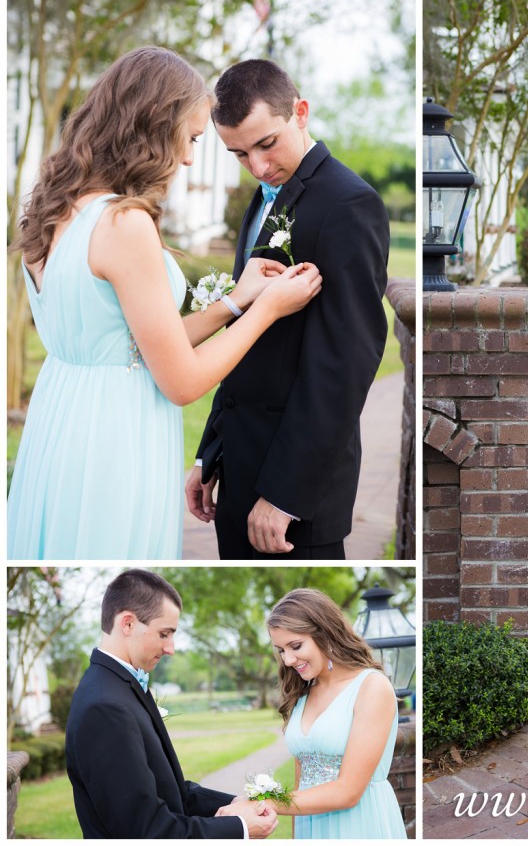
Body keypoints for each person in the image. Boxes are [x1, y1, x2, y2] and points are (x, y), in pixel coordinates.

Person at [8, 47, 322, 560]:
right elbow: (181, 381)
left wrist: (236, 302)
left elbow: (130, 342)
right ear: (154, 126)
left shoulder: (54, 206)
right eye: (192, 137)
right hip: (115, 435)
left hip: (60, 420)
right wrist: (268, 310)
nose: (190, 157)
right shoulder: (123, 223)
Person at [185, 60, 390, 559]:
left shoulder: (349, 205)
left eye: (266, 144)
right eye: (238, 154)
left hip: (292, 494)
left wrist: (284, 496)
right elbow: (248, 343)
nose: (257, 167)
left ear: (300, 112)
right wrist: (208, 456)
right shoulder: (262, 201)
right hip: (239, 468)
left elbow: (345, 365)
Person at [65, 569, 278, 838]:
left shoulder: (120, 686)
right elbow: (145, 830)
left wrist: (234, 804)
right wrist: (241, 827)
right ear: (128, 623)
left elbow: (170, 791)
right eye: (164, 634)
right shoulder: (105, 707)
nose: (171, 648)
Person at [240, 589, 406, 838]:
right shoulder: (302, 693)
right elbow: (299, 784)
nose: (288, 660)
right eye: (281, 650)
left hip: (360, 824)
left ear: (325, 634)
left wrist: (265, 803)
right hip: (311, 827)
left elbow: (348, 791)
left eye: (295, 646)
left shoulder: (371, 686)